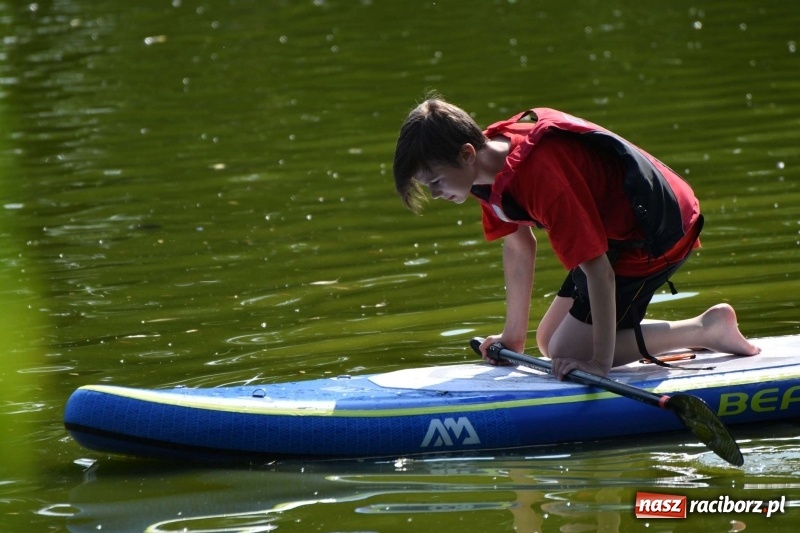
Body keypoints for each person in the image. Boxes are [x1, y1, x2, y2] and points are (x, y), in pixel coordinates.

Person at [392, 98, 760, 380]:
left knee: (569, 350)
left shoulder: (540, 176)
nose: (437, 194)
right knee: (548, 341)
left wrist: (599, 363)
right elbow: (520, 247)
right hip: (612, 235)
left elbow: (599, 271)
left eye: (436, 182)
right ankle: (697, 330)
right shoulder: (483, 173)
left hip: (656, 233)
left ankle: (707, 329)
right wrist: (512, 338)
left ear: (467, 153)